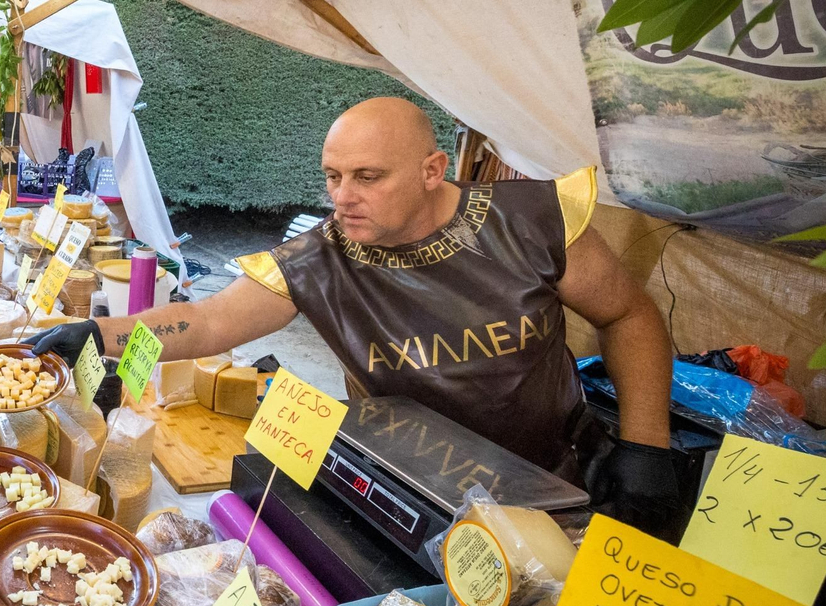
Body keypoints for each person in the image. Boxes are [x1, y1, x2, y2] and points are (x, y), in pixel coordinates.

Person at [34, 97, 681, 533]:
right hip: (412, 505)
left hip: (561, 491)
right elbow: (207, 322)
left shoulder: (535, 221)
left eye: (368, 177)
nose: (344, 198)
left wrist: (645, 446)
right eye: (333, 177)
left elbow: (630, 315)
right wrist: (96, 334)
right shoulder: (323, 260)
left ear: (433, 170)